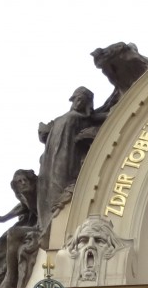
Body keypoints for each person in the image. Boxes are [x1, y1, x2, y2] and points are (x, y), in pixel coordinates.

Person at [36, 87, 102, 234]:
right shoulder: (61, 118)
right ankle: (47, 223)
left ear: (87, 105)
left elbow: (99, 117)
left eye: (82, 101)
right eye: (77, 99)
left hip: (67, 156)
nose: (78, 103)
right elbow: (45, 134)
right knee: (48, 187)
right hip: (51, 157)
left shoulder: (81, 118)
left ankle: (55, 222)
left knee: (60, 185)